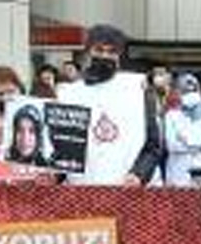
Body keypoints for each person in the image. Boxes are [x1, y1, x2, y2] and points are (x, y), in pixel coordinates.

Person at [58, 24, 164, 186]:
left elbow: (153, 144)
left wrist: (138, 175)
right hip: (82, 191)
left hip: (129, 190)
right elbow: (61, 146)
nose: (105, 56)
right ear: (89, 51)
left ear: (119, 54)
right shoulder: (70, 93)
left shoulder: (138, 89)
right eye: (99, 50)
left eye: (111, 51)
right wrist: (53, 175)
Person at [163, 74, 201, 187]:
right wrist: (200, 142)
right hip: (178, 173)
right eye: (185, 92)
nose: (190, 95)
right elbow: (172, 146)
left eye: (193, 91)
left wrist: (187, 140)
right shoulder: (171, 115)